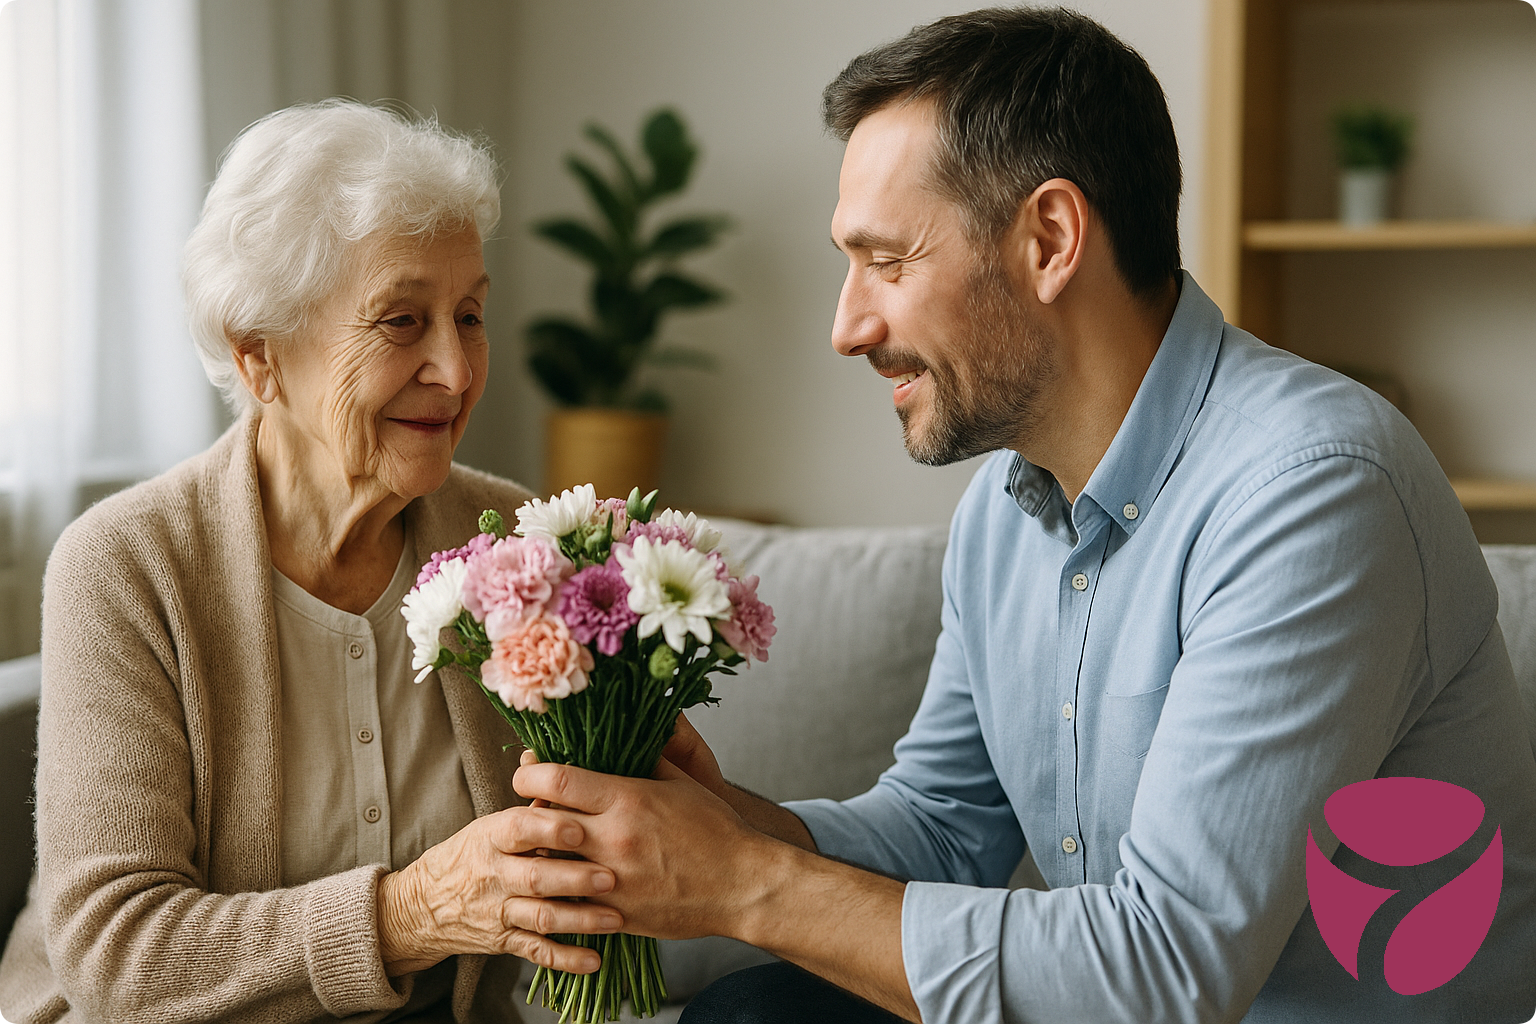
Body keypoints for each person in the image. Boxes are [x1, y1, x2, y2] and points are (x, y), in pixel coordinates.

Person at [508, 9, 1536, 1023]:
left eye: (889, 261)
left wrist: (744, 881)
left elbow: (1163, 974)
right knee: (763, 1010)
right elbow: (941, 836)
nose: (847, 325)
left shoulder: (1312, 490)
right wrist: (731, 827)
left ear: (1049, 238)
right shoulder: (1007, 509)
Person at [0, 100, 621, 1024]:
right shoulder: (128, 564)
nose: (455, 370)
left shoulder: (516, 539)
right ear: (260, 358)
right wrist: (416, 910)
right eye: (402, 321)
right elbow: (116, 955)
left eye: (471, 314)